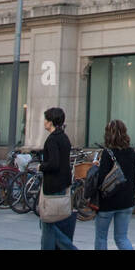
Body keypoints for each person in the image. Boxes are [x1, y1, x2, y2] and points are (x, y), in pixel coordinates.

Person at [92, 119, 135, 250]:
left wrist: (96, 168)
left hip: (108, 202)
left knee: (101, 237)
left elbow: (101, 179)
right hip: (127, 201)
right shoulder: (131, 152)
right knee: (122, 237)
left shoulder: (108, 153)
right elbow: (134, 176)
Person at [39, 107, 77, 250]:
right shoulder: (64, 137)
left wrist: (40, 167)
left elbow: (53, 163)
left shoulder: (52, 139)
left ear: (50, 122)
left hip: (53, 185)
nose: (44, 122)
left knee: (47, 222)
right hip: (63, 183)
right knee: (50, 224)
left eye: (46, 119)